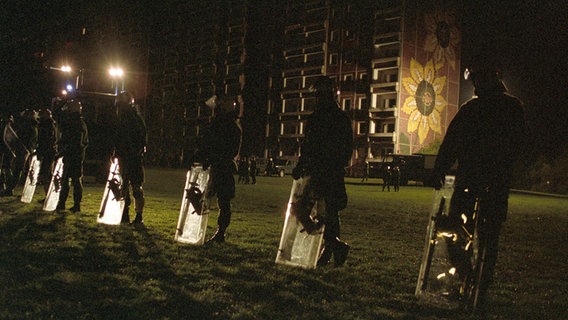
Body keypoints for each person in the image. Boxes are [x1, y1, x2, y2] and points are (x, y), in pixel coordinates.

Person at [431, 58, 527, 309]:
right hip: (478, 181)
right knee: (464, 233)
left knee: (481, 237)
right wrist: (440, 168)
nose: (476, 83)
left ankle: (475, 285)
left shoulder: (505, 108)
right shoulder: (478, 108)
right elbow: (452, 141)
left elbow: (518, 146)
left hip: (486, 182)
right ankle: (471, 279)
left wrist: (442, 166)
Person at [292, 75, 353, 267]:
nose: (317, 98)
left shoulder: (339, 118)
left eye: (319, 94)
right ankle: (335, 245)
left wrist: (334, 165)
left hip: (328, 173)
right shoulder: (315, 118)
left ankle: (330, 249)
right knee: (303, 211)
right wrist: (301, 165)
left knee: (330, 214)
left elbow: (346, 147)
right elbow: (307, 145)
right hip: (315, 171)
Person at [193, 94, 242, 243]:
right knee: (204, 196)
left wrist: (211, 156)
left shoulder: (230, 126)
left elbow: (229, 149)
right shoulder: (218, 124)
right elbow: (207, 143)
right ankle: (210, 230)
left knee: (223, 200)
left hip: (222, 166)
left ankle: (221, 232)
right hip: (215, 165)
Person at [112, 91, 147, 225]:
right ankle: (125, 214)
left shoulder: (134, 119)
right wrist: (116, 152)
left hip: (133, 158)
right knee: (125, 187)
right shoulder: (122, 119)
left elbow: (141, 139)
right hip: (125, 157)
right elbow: (118, 138)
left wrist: (134, 153)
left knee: (136, 187)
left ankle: (138, 216)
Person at [56, 99, 89, 212]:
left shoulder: (76, 123)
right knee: (70, 180)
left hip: (73, 155)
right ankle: (67, 203)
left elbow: (76, 141)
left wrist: (64, 150)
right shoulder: (76, 122)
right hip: (74, 155)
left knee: (71, 180)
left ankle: (71, 204)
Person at [36, 108, 57, 202]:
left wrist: (42, 151)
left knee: (46, 175)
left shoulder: (48, 126)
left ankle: (49, 196)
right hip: (47, 152)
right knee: (46, 175)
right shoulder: (47, 125)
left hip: (48, 152)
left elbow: (46, 140)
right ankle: (48, 196)